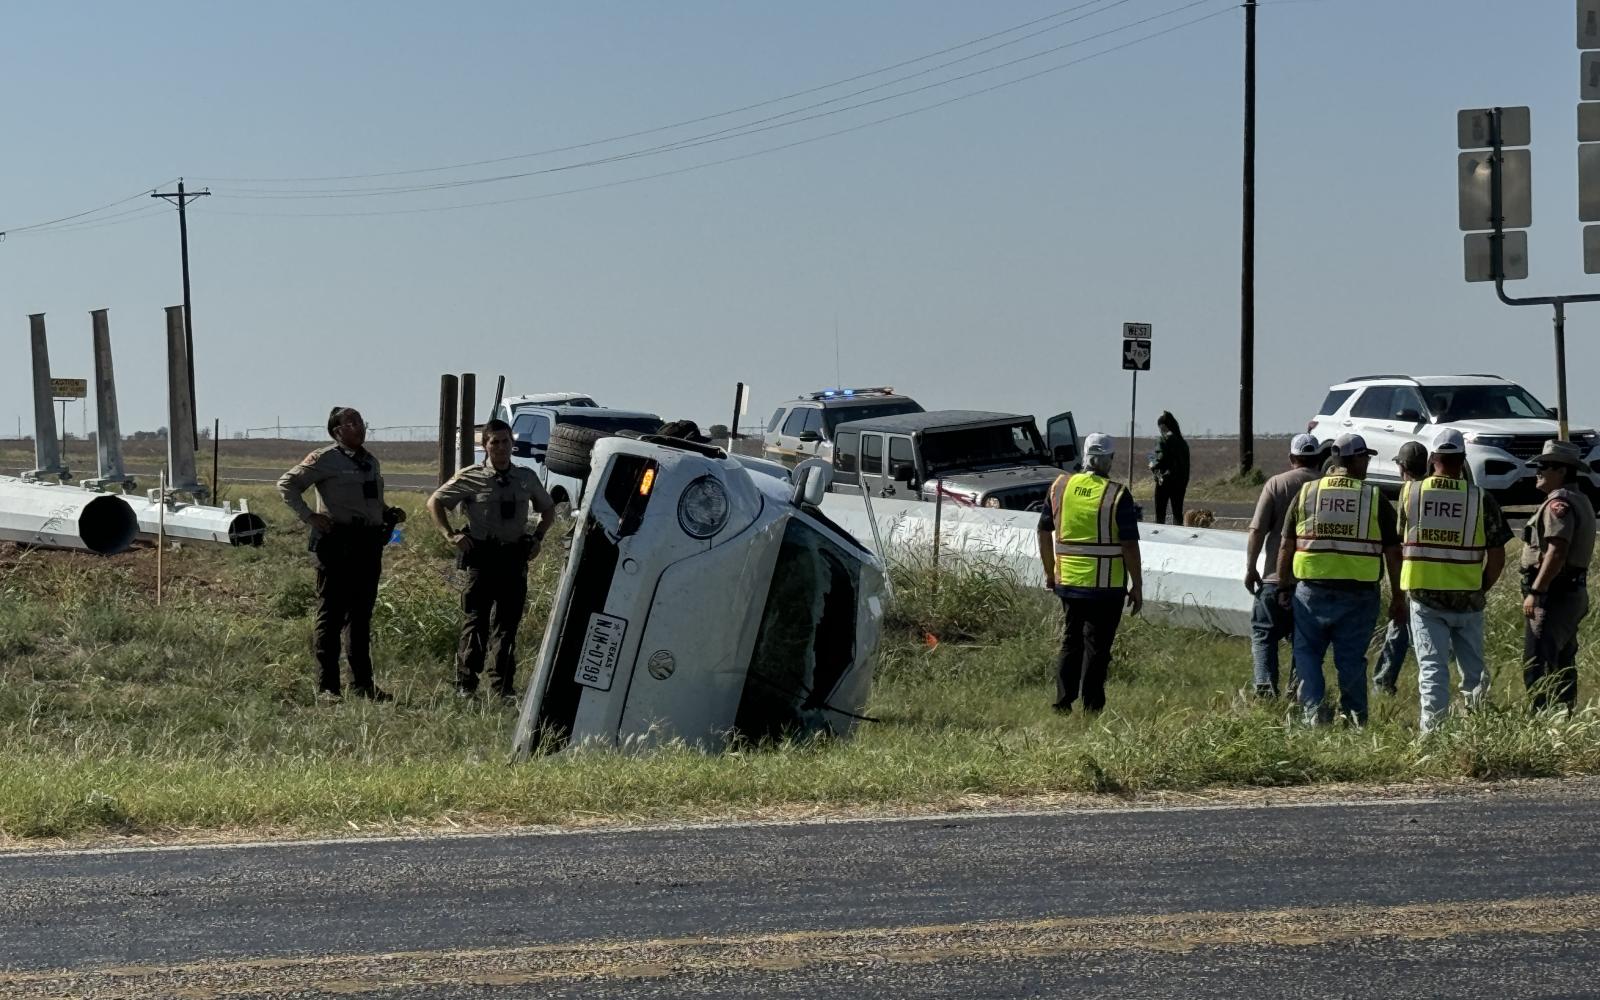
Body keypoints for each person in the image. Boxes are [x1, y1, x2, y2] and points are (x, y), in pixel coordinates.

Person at [277, 407, 405, 702]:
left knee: (361, 617)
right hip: (337, 543)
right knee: (331, 614)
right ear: (337, 431)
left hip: (368, 544)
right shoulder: (325, 458)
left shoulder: (369, 461)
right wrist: (309, 516)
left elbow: (372, 500)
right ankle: (328, 687)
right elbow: (287, 485)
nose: (359, 427)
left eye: (360, 421)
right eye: (351, 423)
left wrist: (389, 512)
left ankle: (363, 684)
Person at [1276, 432, 1403, 726]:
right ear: (1355, 459)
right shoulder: (1373, 497)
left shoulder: (1308, 493)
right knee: (1351, 660)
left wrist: (1283, 586)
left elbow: (1287, 544)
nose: (1368, 463)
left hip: (1311, 591)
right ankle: (1355, 719)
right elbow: (1393, 553)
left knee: (1307, 656)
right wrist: (1399, 597)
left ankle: (1313, 714)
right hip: (1358, 595)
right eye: (1366, 457)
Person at [427, 419, 558, 701]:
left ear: (513, 444)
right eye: (494, 442)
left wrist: (537, 538)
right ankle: (466, 684)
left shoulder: (526, 477)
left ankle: (503, 687)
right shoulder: (472, 476)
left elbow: (548, 509)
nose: (500, 447)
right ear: (485, 446)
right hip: (482, 559)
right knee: (476, 621)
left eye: (505, 441)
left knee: (507, 625)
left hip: (513, 558)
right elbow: (435, 502)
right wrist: (450, 535)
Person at [1397, 429, 1511, 732]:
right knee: (1474, 672)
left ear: (1433, 459)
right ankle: (1478, 732)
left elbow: (1400, 541)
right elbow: (1498, 557)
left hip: (1424, 596)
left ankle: (1432, 737)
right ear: (1462, 460)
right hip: (1468, 599)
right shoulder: (1480, 498)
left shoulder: (1411, 493)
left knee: (1433, 670)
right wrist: (1479, 587)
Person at [1037, 432, 1143, 714]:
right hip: (1106, 587)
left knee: (1071, 640)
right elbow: (1129, 544)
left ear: (1084, 457)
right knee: (1097, 647)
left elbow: (1043, 531)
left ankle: (1062, 703)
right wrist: (1137, 585)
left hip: (1069, 582)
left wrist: (1051, 571)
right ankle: (1092, 707)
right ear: (1108, 460)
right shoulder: (1117, 494)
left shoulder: (1059, 487)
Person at [1243, 434, 1324, 698]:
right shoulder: (1325, 488)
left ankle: (1265, 689)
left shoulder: (1276, 484)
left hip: (1274, 577)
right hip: (1313, 579)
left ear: (1292, 458)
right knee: (1305, 641)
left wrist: (1251, 567)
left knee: (1264, 634)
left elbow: (1257, 530)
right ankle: (1298, 692)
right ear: (1318, 459)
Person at [1519, 439, 1596, 713]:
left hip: (1554, 595)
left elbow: (1556, 551)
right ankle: (1563, 715)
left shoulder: (1558, 503)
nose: (1537, 471)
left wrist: (1537, 592)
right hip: (1570, 592)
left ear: (1562, 470)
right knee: (1563, 659)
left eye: (1544, 466)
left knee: (1537, 661)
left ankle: (1541, 719)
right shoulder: (1580, 499)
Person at [1373, 441, 1430, 695]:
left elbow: (1399, 537)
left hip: (1411, 572)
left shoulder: (1409, 493)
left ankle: (1383, 682)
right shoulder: (1431, 490)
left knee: (1399, 629)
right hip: (1436, 570)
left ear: (1402, 467)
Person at [1148, 411, 1190, 525]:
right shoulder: (1183, 443)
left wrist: (1152, 464)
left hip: (1164, 481)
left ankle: (1159, 538)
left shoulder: (1163, 440)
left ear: (1163, 426)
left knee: (1160, 512)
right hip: (1181, 482)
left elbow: (1160, 458)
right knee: (1177, 512)